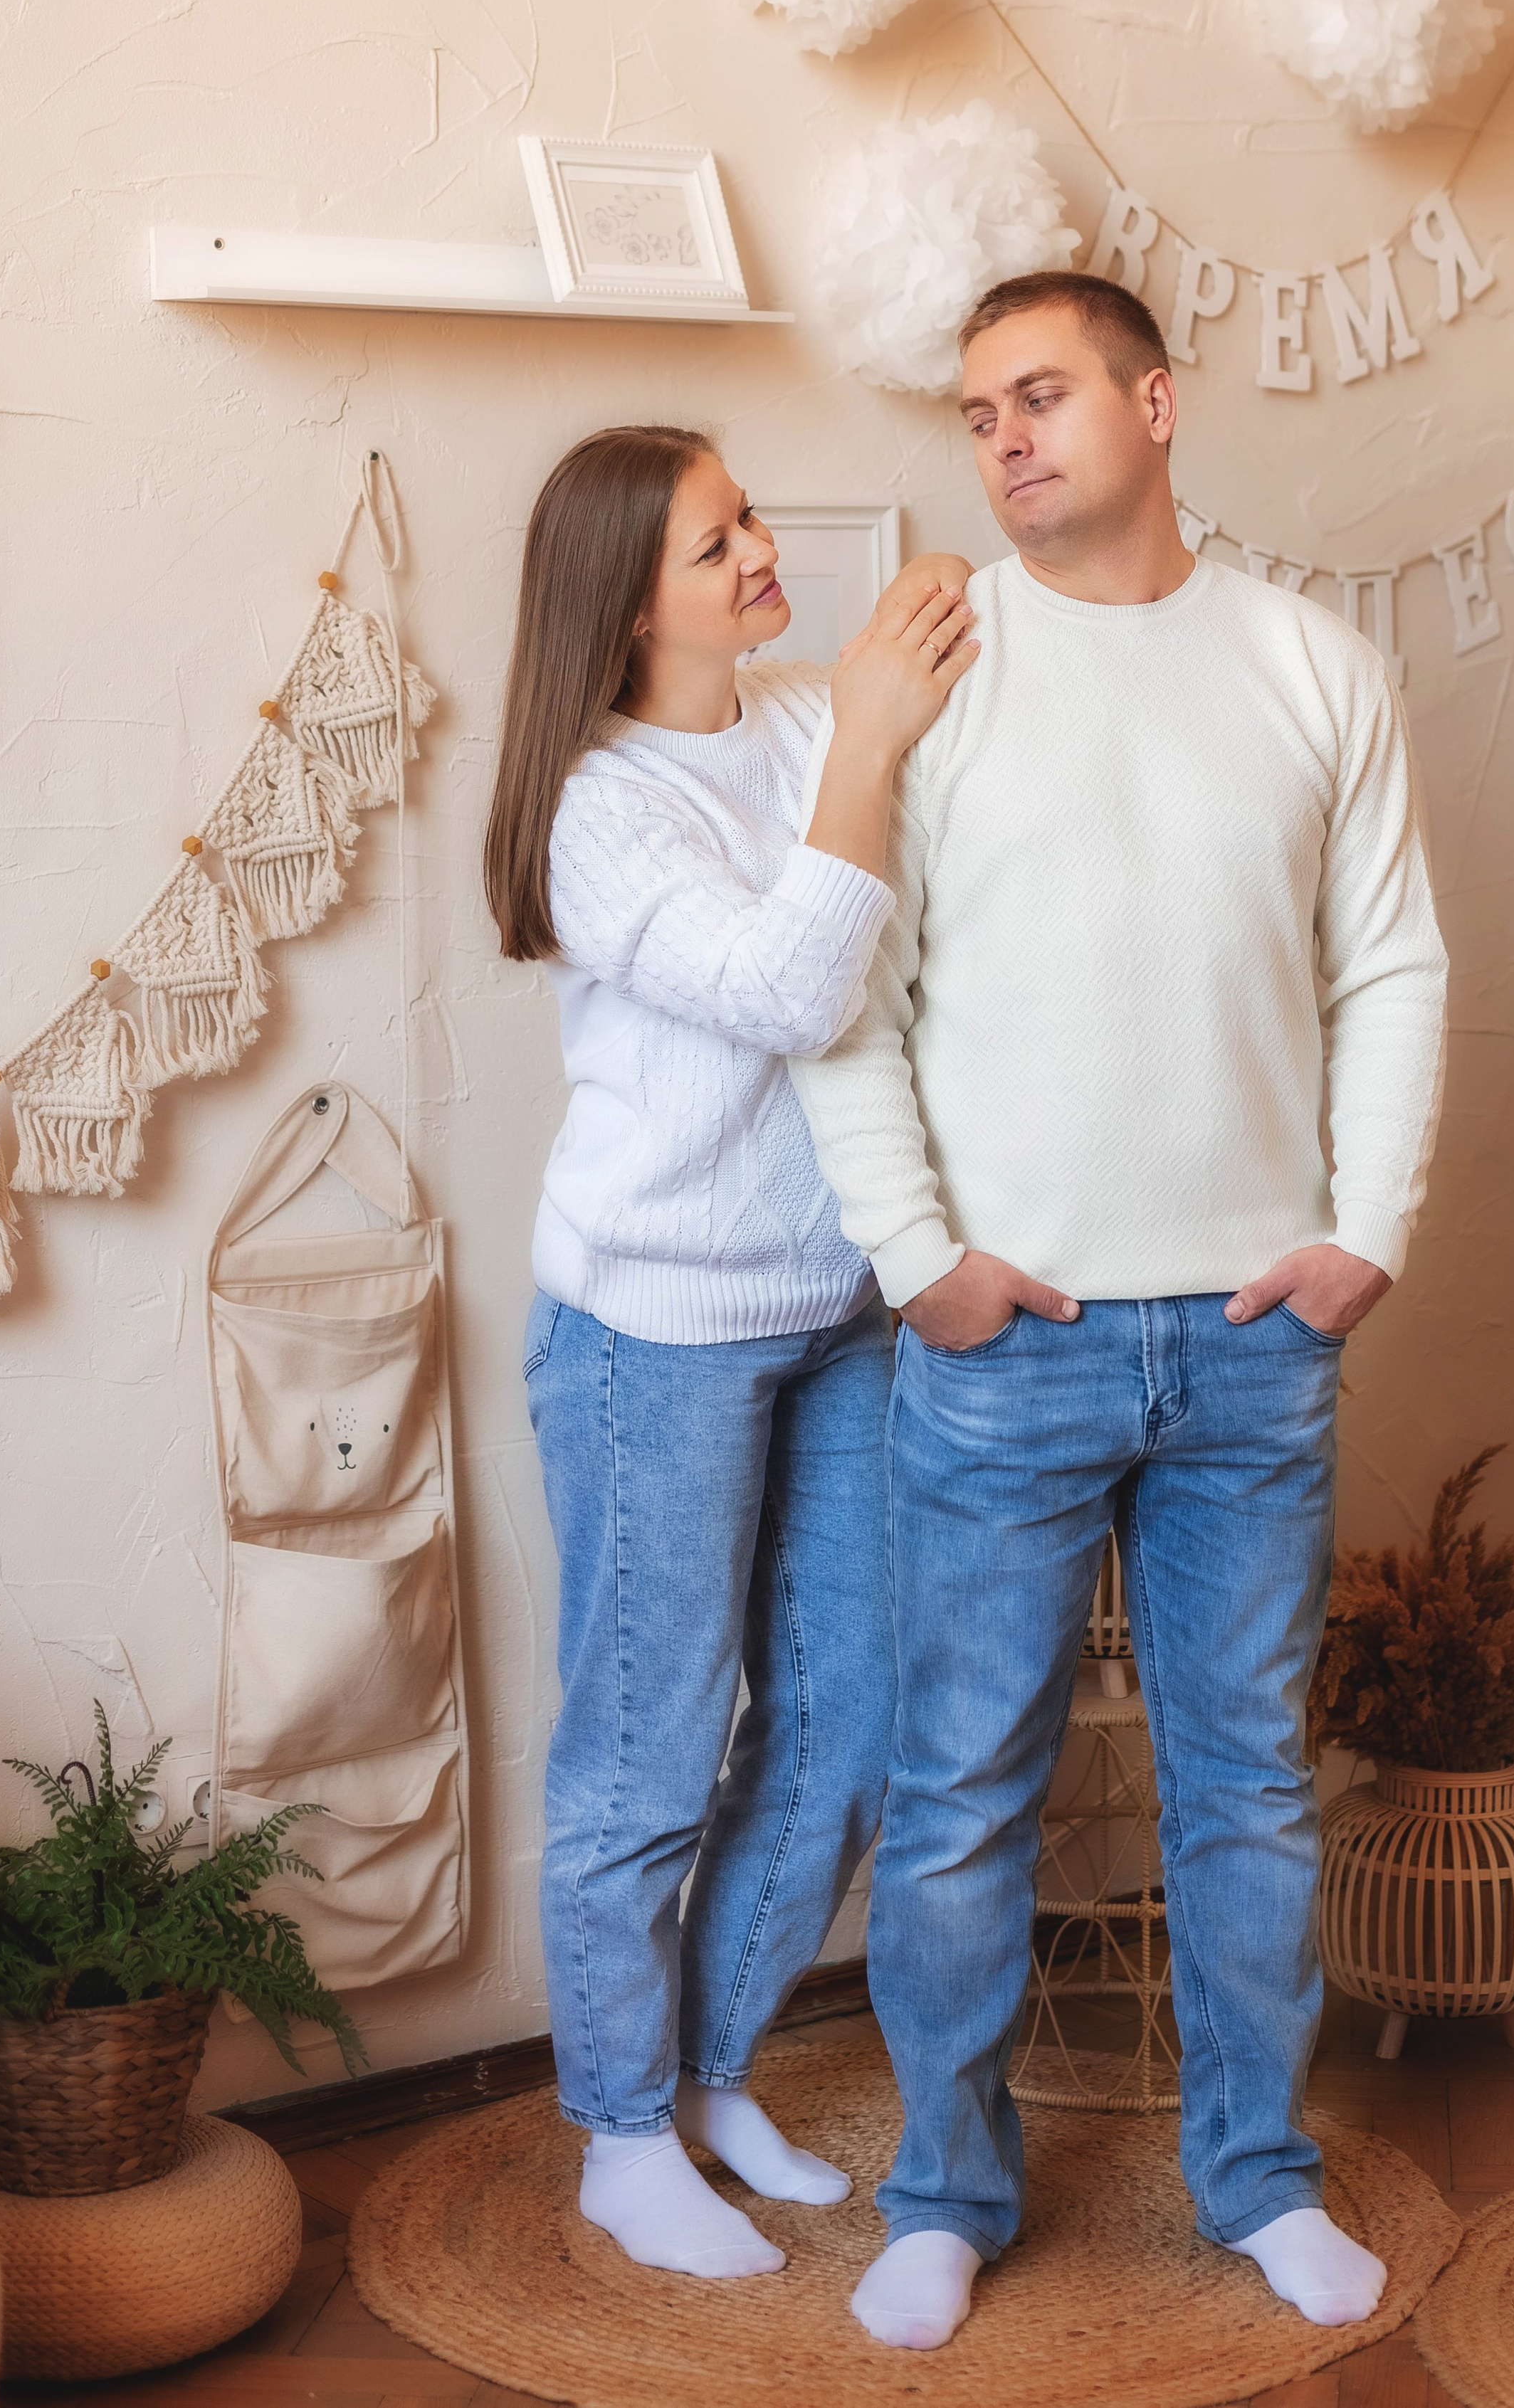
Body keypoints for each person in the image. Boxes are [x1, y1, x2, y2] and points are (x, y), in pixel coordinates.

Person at [787, 273, 1449, 2350]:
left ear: (1157, 403)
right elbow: (842, 1005)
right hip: (1011, 1345)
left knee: (1246, 1784)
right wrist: (921, 1266)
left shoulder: (1310, 664)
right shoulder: (923, 677)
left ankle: (1258, 2174)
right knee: (964, 1784)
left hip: (1259, 1336)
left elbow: (1396, 967)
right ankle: (946, 2192)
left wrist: (1369, 1229)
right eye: (978, 408)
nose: (1003, 435)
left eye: (1043, 393)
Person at [483, 423, 977, 2282]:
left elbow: (899, 945)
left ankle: (704, 2072)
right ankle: (621, 2131)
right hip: (652, 1331)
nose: (764, 549)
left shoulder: (788, 722)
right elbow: (790, 988)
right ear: (629, 603)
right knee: (647, 1753)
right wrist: (865, 737)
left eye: (749, 512)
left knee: (849, 1719)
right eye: (718, 541)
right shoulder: (599, 808)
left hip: (835, 1304)